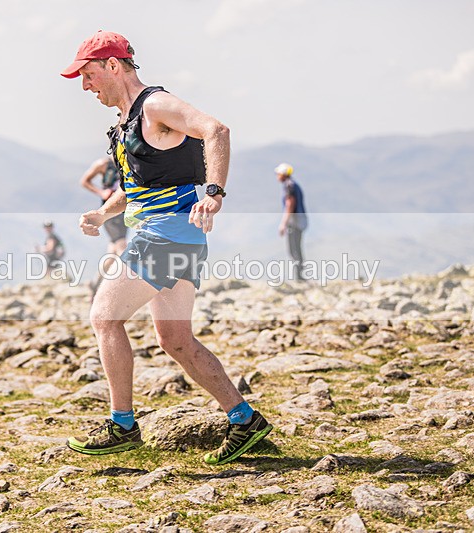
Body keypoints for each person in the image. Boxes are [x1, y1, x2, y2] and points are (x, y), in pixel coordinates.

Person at [61, 30, 273, 465]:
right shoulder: (125, 123)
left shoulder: (154, 105)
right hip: (175, 237)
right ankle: (243, 418)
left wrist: (214, 192)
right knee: (175, 340)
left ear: (114, 66)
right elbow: (138, 186)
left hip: (167, 235)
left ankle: (122, 425)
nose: (85, 86)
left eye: (89, 75)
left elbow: (216, 130)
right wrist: (103, 213)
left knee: (104, 317)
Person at [80, 156, 128, 297]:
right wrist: (101, 192)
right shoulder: (103, 164)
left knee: (112, 253)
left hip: (124, 211)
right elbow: (84, 181)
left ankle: (95, 283)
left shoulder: (128, 160)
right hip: (108, 212)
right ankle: (122, 288)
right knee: (122, 248)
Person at [275, 163, 308, 281]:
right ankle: (300, 276)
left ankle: (299, 278)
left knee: (293, 250)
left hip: (294, 222)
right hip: (300, 221)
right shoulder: (294, 185)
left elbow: (289, 204)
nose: (277, 176)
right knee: (297, 249)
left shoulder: (289, 186)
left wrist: (283, 223)